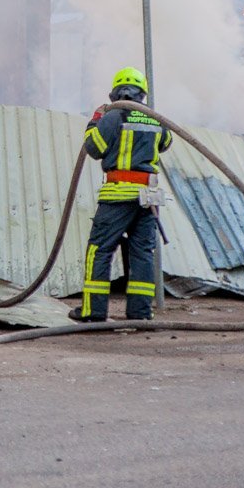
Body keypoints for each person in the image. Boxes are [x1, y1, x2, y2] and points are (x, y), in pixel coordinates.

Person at [70, 66, 172, 323]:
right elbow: (166, 142)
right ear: (142, 93)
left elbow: (94, 148)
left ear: (116, 92)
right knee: (142, 253)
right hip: (148, 197)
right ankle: (140, 314)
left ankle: (93, 311)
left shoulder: (113, 117)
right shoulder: (155, 118)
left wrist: (95, 120)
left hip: (118, 194)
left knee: (100, 250)